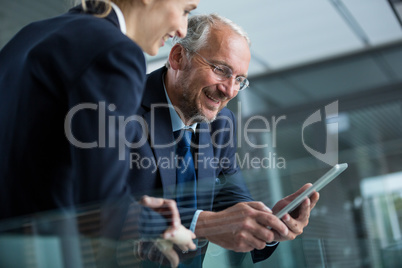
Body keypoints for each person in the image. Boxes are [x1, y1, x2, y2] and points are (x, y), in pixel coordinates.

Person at [0, 0, 200, 267]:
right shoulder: (116, 51)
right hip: (43, 255)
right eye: (185, 10)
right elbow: (102, 210)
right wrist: (165, 225)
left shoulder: (31, 34)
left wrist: (135, 212)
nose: (182, 30)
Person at [127, 13, 320, 267]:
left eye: (239, 80)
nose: (229, 90)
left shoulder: (222, 123)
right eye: (220, 70)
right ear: (177, 57)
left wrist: (269, 222)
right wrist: (200, 222)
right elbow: (101, 205)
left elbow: (231, 198)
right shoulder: (123, 107)